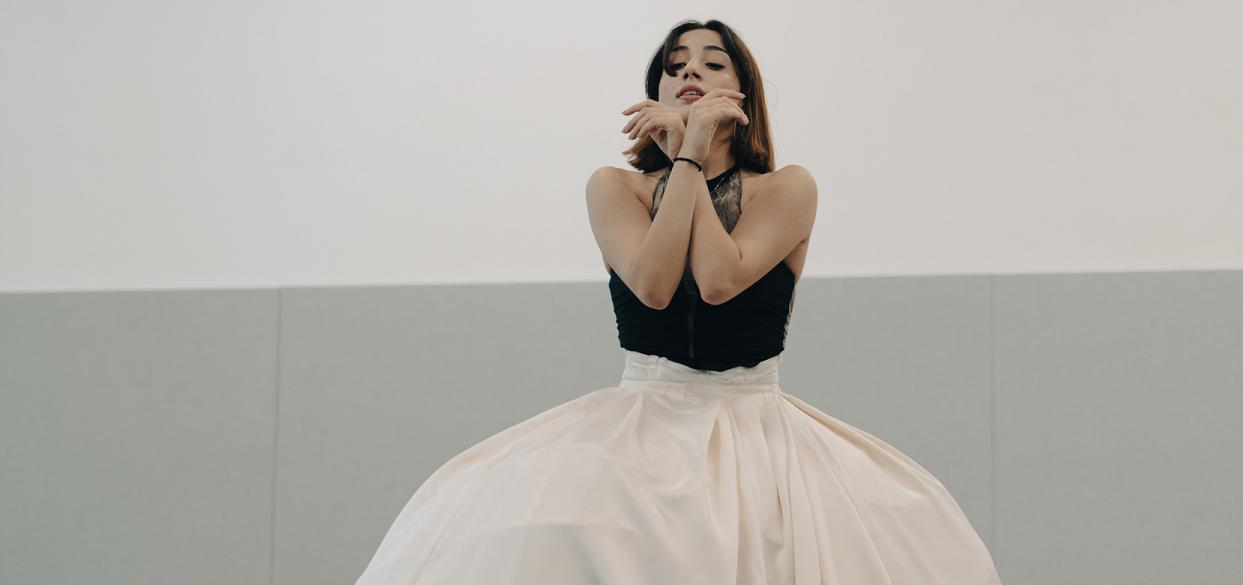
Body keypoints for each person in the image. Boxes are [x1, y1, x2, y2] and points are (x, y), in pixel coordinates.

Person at [353, 19, 1002, 584]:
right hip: (641, 415)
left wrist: (693, 152)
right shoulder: (616, 187)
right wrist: (686, 156)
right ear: (655, 92)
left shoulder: (788, 187)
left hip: (757, 424)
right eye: (674, 65)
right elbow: (655, 285)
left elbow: (720, 280)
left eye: (712, 62)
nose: (690, 68)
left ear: (739, 92)